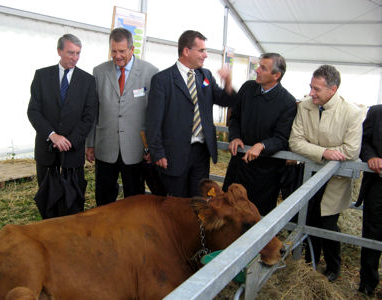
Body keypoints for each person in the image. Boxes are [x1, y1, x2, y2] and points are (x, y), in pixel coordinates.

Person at [289, 65, 363, 282]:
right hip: (308, 174)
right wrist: (325, 152)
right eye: (311, 87)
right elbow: (295, 141)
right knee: (307, 217)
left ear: (333, 89)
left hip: (335, 178)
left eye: (317, 89)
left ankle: (333, 266)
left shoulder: (352, 112)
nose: (311, 93)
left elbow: (351, 149)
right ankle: (306, 262)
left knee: (328, 221)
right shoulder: (305, 106)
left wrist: (313, 150)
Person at [146, 30, 235, 197]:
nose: (206, 55)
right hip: (174, 153)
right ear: (186, 51)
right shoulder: (162, 80)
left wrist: (228, 82)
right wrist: (157, 152)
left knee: (198, 201)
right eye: (201, 51)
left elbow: (225, 100)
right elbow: (153, 120)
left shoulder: (205, 76)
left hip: (201, 153)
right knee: (177, 204)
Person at [86, 28, 158, 206]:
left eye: (122, 51)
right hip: (105, 147)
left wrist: (152, 147)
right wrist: (90, 144)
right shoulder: (99, 72)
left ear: (132, 49)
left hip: (136, 149)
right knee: (103, 199)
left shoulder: (151, 73)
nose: (117, 56)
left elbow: (155, 115)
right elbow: (92, 111)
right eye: (114, 51)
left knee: (134, 200)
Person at [27, 34, 97, 218]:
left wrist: (70, 141)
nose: (74, 58)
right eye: (70, 53)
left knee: (72, 200)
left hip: (72, 153)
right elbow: (33, 111)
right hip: (46, 150)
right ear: (59, 51)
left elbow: (89, 117)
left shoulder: (88, 81)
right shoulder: (42, 76)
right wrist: (52, 135)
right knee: (47, 197)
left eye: (78, 53)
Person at [222, 53, 297, 216]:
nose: (257, 70)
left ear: (276, 75)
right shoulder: (248, 88)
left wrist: (262, 145)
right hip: (238, 166)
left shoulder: (288, 102)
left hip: (265, 173)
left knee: (256, 216)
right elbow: (235, 118)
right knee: (227, 210)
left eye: (263, 68)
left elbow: (282, 138)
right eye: (258, 66)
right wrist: (234, 136)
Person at [356, 104, 382, 296]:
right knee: (372, 232)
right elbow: (363, 142)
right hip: (377, 185)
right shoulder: (376, 112)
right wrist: (371, 157)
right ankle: (367, 283)